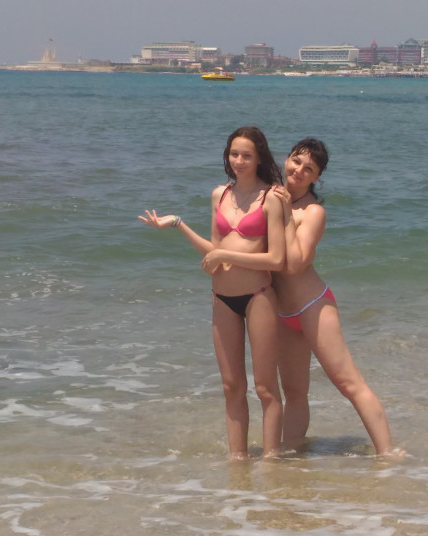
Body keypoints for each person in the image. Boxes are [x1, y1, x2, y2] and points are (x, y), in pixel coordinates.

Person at [139, 126, 285, 460]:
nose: (239, 161)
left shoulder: (271, 198)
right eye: (234, 154)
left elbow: (276, 259)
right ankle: (237, 462)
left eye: (247, 155)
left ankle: (273, 463)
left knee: (265, 388)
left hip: (258, 296)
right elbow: (214, 250)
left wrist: (223, 256)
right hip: (222, 299)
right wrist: (177, 223)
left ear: (259, 158)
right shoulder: (219, 194)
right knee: (231, 387)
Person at [272, 138, 403, 457]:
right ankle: (293, 454)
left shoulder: (313, 212)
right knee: (293, 391)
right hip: (282, 313)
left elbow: (297, 263)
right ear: (286, 159)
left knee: (348, 384)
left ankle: (388, 455)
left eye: (309, 168)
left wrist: (286, 212)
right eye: (296, 161)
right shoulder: (270, 198)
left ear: (317, 177)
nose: (299, 170)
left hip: (312, 306)